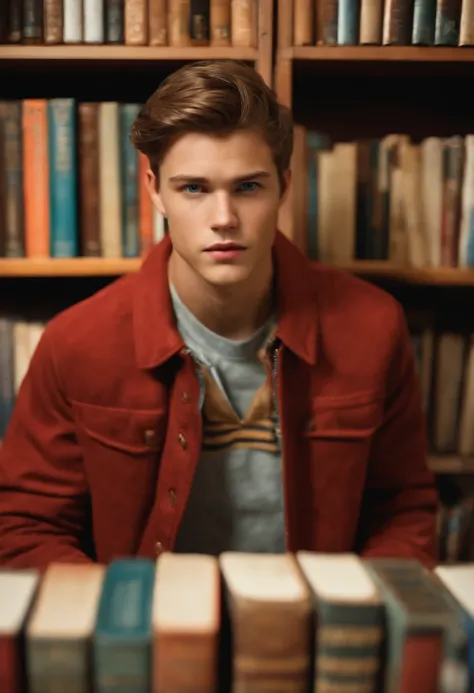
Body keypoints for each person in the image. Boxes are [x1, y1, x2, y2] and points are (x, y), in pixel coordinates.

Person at [0, 60, 438, 569]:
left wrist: (350, 617)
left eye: (248, 187)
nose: (224, 218)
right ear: (154, 191)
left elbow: (403, 513)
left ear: (284, 186)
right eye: (194, 189)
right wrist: (118, 620)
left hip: (320, 632)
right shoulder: (77, 341)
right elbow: (25, 526)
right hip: (142, 634)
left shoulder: (373, 327)